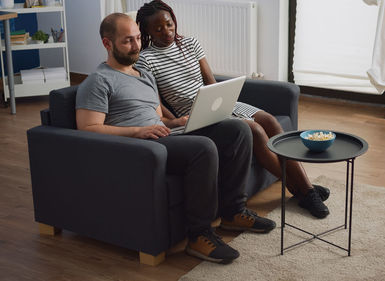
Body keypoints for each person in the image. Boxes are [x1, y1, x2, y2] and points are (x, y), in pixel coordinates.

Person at [75, 13, 276, 264]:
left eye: (138, 38)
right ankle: (198, 236)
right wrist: (137, 132)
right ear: (107, 43)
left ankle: (233, 212)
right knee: (204, 148)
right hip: (140, 147)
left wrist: (177, 122)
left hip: (164, 134)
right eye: (128, 41)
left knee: (238, 130)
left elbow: (157, 117)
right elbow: (88, 128)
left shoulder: (144, 75)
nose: (137, 46)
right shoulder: (97, 81)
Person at [135, 0, 330, 219]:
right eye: (158, 29)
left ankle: (303, 189)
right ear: (147, 31)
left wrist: (224, 101)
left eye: (169, 24)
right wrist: (177, 121)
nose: (167, 31)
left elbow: (211, 83)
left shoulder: (191, 44)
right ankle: (306, 191)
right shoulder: (146, 60)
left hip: (216, 103)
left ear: (174, 21)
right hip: (193, 115)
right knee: (254, 130)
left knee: (270, 120)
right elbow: (157, 102)